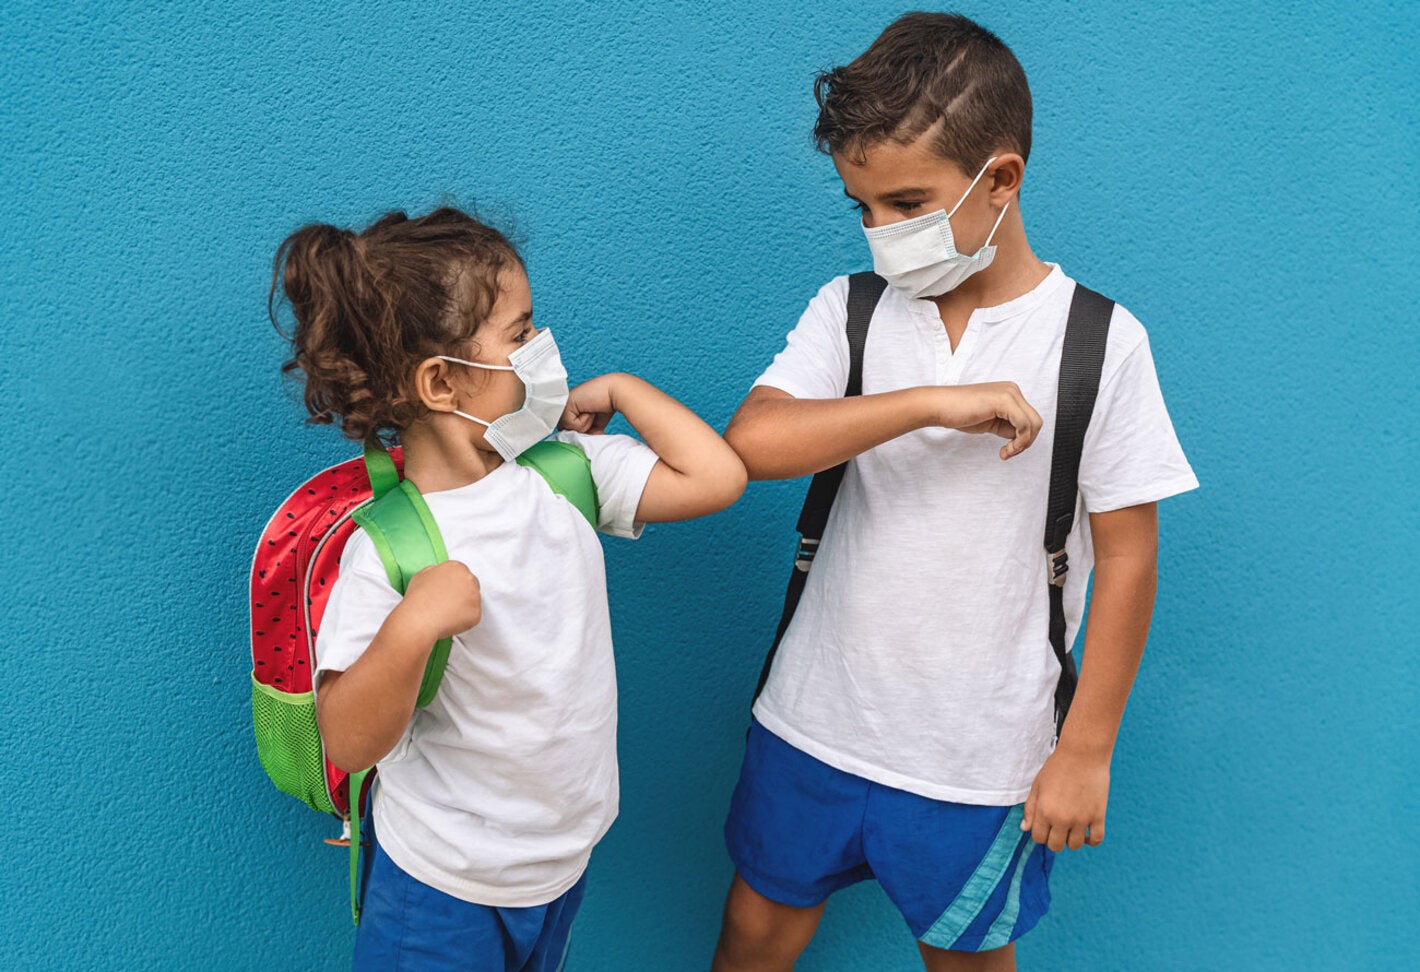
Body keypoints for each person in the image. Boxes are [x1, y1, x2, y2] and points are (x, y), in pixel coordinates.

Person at [713, 14, 1198, 971]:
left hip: (981, 758)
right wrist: (930, 402)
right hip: (811, 720)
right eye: (862, 208)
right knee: (753, 933)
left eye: (907, 202)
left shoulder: (1101, 343)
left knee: (967, 959)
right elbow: (753, 444)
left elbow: (1132, 559)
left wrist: (1086, 751)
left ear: (1001, 179)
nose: (881, 233)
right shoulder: (849, 312)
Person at [270, 207, 746, 971]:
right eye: (521, 334)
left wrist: (624, 389)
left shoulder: (563, 473)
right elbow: (350, 740)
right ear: (440, 381)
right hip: (440, 885)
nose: (541, 349)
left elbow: (718, 479)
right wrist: (411, 626)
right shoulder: (391, 546)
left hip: (557, 866)